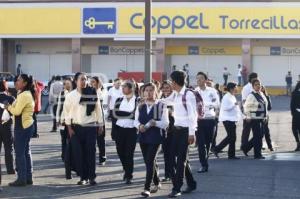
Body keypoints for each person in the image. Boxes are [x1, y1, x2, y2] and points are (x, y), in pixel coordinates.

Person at [64, 72, 104, 186]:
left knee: (90, 153)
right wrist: (69, 128)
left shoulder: (92, 92)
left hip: (91, 126)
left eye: (85, 79)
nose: (84, 81)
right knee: (79, 154)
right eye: (81, 79)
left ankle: (92, 177)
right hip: (76, 128)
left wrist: (100, 124)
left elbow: (98, 109)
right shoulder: (70, 96)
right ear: (75, 81)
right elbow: (67, 113)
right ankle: (83, 177)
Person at [134, 82, 169, 197]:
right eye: (146, 90)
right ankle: (157, 181)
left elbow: (165, 123)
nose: (148, 92)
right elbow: (135, 121)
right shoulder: (140, 105)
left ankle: (146, 188)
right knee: (149, 161)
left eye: (151, 90)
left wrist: (155, 123)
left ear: (156, 92)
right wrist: (139, 126)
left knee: (149, 161)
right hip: (143, 136)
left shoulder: (161, 105)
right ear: (143, 93)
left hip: (156, 137)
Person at [167, 70, 197, 198]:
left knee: (181, 160)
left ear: (174, 81)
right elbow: (165, 101)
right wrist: (150, 100)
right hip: (176, 130)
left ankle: (177, 188)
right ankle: (191, 183)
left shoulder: (188, 94)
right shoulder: (175, 94)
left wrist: (192, 133)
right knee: (174, 158)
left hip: (186, 132)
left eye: (170, 81)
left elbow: (192, 116)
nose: (170, 83)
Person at [5, 74, 35, 186]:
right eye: (16, 80)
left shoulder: (24, 95)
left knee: (20, 154)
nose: (16, 82)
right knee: (26, 152)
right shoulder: (24, 93)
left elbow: (16, 111)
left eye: (19, 80)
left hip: (22, 127)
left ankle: (22, 178)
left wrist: (8, 107)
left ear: (25, 83)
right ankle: (27, 177)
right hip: (26, 125)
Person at [113, 80, 139, 184]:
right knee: (120, 152)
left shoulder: (137, 100)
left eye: (124, 87)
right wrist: (128, 114)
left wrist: (123, 113)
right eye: (122, 87)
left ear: (131, 88)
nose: (122, 89)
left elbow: (135, 115)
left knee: (129, 153)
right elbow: (115, 114)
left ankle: (129, 175)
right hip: (119, 129)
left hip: (131, 130)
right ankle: (126, 168)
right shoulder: (119, 99)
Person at [195, 72, 220, 173]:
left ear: (205, 80)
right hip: (199, 120)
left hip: (210, 119)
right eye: (197, 79)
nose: (198, 80)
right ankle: (203, 164)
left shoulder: (212, 91)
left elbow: (217, 104)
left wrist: (205, 105)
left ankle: (205, 160)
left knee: (208, 143)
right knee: (201, 144)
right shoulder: (195, 91)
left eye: (200, 78)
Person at [212, 82, 241, 159]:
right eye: (236, 87)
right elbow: (225, 108)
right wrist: (234, 105)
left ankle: (231, 155)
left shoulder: (232, 96)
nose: (237, 88)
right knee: (231, 137)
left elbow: (236, 108)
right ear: (231, 88)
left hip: (232, 119)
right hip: (227, 119)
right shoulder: (226, 97)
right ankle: (216, 149)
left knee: (232, 137)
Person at [242, 79, 268, 159]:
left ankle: (245, 148)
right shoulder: (251, 95)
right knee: (258, 137)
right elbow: (246, 107)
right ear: (253, 86)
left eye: (259, 84)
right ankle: (257, 154)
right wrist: (248, 116)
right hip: (254, 118)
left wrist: (266, 116)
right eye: (256, 84)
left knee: (260, 135)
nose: (258, 86)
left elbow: (265, 106)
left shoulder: (262, 94)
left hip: (262, 118)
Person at [160, 80, 175, 182]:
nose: (166, 90)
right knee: (166, 152)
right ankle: (167, 174)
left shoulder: (175, 98)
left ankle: (174, 173)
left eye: (167, 87)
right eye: (164, 88)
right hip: (164, 129)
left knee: (173, 152)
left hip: (175, 129)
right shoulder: (161, 100)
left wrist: (170, 112)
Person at [90, 76, 107, 166]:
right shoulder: (88, 91)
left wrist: (97, 89)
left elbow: (101, 101)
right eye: (90, 82)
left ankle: (102, 157)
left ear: (97, 83)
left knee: (100, 139)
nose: (91, 84)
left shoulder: (101, 91)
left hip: (100, 117)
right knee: (91, 140)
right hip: (90, 118)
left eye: (93, 82)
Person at [0, 80, 15, 174]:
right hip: (7, 125)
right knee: (8, 148)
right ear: (6, 87)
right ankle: (10, 169)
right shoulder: (11, 98)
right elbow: (15, 112)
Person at [56, 78, 73, 161]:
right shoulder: (62, 93)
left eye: (68, 83)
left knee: (72, 139)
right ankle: (64, 156)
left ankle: (71, 156)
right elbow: (59, 107)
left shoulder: (75, 93)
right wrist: (57, 120)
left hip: (73, 121)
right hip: (63, 120)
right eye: (65, 83)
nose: (67, 85)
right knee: (63, 139)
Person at [240, 73, 258, 151]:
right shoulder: (246, 88)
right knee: (246, 130)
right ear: (251, 79)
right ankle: (243, 145)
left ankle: (255, 144)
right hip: (248, 112)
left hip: (256, 112)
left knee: (256, 130)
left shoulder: (256, 86)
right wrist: (247, 114)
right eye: (256, 78)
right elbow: (244, 101)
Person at [261, 86, 274, 151]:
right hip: (259, 117)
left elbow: (269, 108)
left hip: (265, 117)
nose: (261, 88)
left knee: (266, 132)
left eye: (262, 87)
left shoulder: (266, 96)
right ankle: (261, 145)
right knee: (261, 133)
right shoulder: (256, 96)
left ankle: (270, 146)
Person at [290, 81, 300, 151]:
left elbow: (292, 104)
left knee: (294, 129)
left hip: (296, 113)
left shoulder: (294, 93)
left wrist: (293, 113)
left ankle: (298, 142)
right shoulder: (294, 93)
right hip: (296, 113)